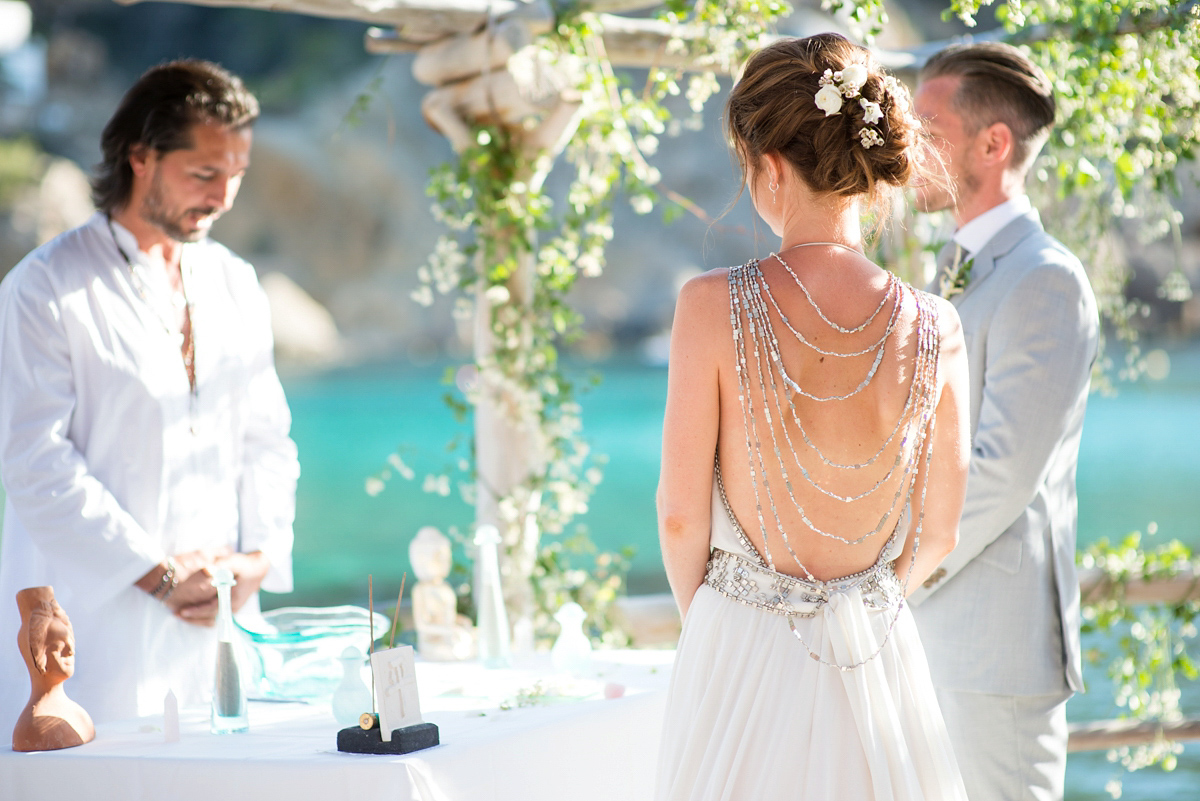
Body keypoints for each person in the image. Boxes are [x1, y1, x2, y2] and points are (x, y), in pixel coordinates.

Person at [655, 33, 971, 800]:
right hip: (876, 651)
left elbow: (678, 519)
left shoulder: (710, 305)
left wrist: (733, 621)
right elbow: (938, 532)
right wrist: (860, 601)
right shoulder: (935, 326)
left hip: (740, 642)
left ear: (768, 168)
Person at [0, 59, 299, 729]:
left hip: (223, 630)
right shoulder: (43, 288)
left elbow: (267, 439)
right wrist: (157, 574)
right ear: (140, 156)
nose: (224, 195)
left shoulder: (235, 282)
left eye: (237, 174)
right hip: (94, 642)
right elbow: (34, 462)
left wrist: (259, 559)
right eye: (204, 173)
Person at [908, 42, 1099, 801]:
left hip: (994, 655)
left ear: (994, 143)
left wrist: (895, 576)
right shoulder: (951, 268)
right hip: (934, 640)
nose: (906, 146)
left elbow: (1000, 470)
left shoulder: (1046, 278)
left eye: (928, 127)